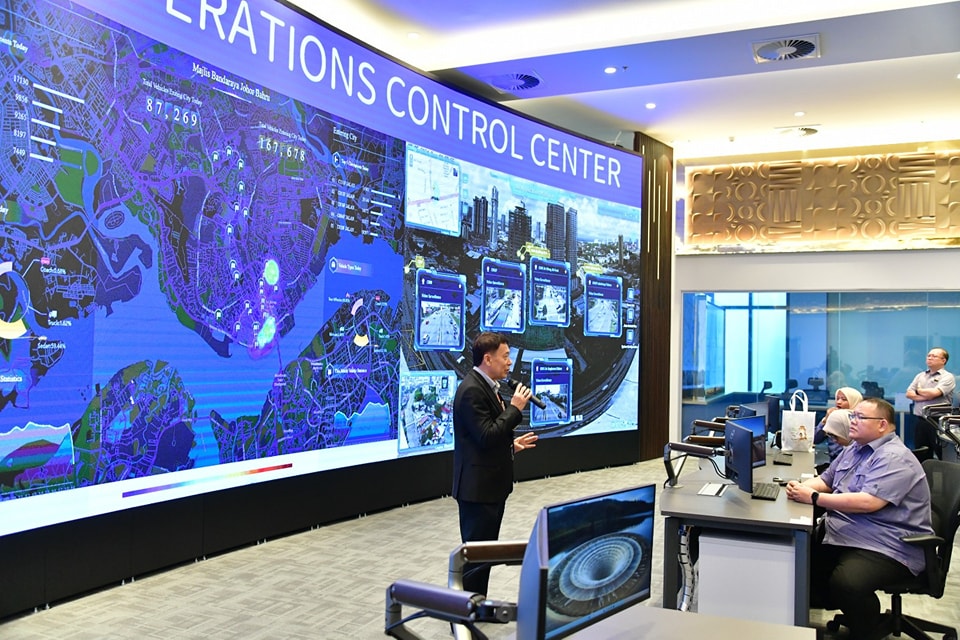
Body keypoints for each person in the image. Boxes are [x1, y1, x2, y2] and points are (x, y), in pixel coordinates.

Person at [785, 398, 933, 640]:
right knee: (798, 560)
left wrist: (813, 497)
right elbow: (827, 480)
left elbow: (869, 502)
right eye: (853, 416)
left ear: (882, 424)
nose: (852, 421)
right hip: (849, 532)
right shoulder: (855, 448)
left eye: (860, 417)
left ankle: (866, 631)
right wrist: (798, 487)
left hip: (888, 543)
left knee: (848, 583)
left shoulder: (894, 457)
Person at [452, 332, 539, 596]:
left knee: (485, 555)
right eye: (505, 356)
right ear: (488, 359)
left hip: (489, 488)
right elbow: (486, 435)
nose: (510, 362)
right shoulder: (471, 390)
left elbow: (486, 440)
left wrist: (511, 446)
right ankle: (468, 609)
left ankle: (478, 604)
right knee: (476, 558)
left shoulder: (486, 386)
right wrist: (515, 409)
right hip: (478, 492)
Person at [906, 347, 955, 458]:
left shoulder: (948, 377)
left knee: (942, 454)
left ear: (943, 360)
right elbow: (908, 393)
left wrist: (918, 391)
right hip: (921, 421)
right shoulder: (920, 376)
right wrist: (927, 396)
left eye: (934, 356)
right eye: (928, 356)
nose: (930, 358)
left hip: (937, 421)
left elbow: (935, 393)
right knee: (921, 454)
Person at [813, 387, 862, 463]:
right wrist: (825, 420)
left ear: (854, 401)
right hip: (833, 463)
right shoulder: (832, 416)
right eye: (837, 399)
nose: (838, 402)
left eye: (844, 399)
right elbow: (815, 439)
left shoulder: (859, 420)